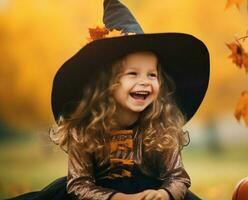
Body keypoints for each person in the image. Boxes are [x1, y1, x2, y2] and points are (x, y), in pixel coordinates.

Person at [8, 0, 209, 200]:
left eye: (152, 74)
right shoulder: (85, 128)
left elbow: (177, 177)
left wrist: (165, 194)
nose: (144, 82)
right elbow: (79, 183)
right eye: (133, 73)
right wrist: (119, 198)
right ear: (107, 83)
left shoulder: (162, 126)